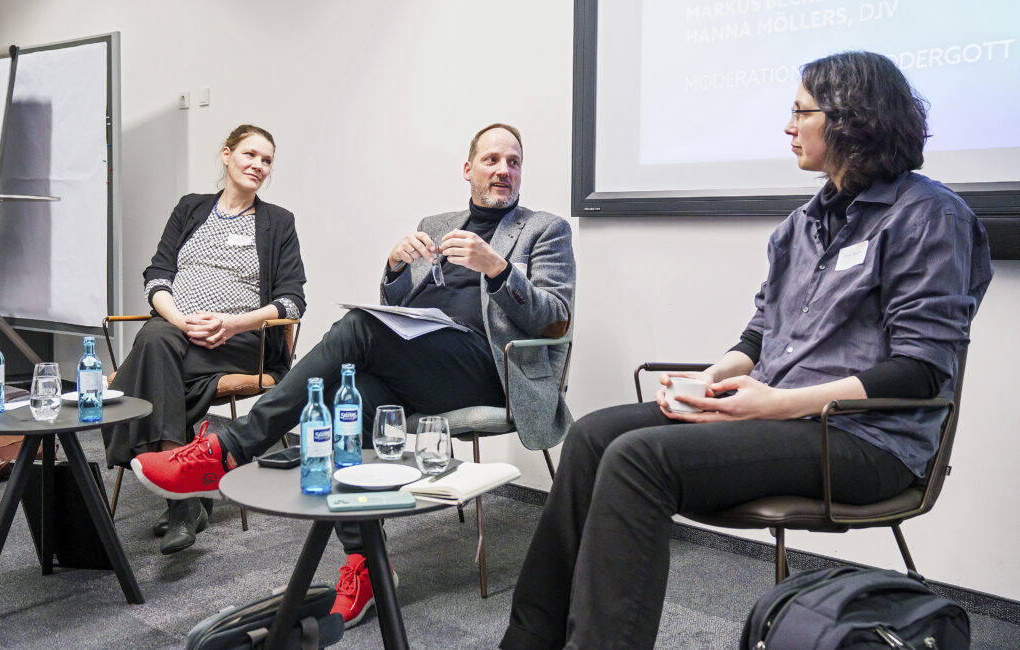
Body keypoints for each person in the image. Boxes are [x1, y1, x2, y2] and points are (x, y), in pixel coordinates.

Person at [500, 51, 993, 650]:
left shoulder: (929, 216)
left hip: (867, 439)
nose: (788, 127)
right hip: (786, 418)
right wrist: (708, 383)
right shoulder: (801, 224)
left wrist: (774, 406)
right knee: (590, 436)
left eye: (800, 112)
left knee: (638, 459)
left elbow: (920, 371)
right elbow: (760, 337)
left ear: (849, 119)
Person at [129, 123, 576, 628]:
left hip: (490, 368)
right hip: (427, 362)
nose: (504, 170)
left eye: (513, 162)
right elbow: (401, 312)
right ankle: (365, 563)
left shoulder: (545, 229)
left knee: (358, 328)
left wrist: (497, 268)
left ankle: (230, 448)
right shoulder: (437, 222)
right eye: (492, 160)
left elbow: (553, 316)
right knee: (352, 395)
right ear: (467, 168)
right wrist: (392, 269)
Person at [102, 124, 306, 555]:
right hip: (179, 334)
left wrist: (233, 324)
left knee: (151, 351)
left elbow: (291, 302)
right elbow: (157, 276)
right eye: (250, 154)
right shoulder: (190, 208)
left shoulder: (277, 222)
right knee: (158, 339)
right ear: (227, 155)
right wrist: (181, 320)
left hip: (242, 342)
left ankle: (180, 494)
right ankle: (185, 501)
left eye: (267, 160)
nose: (259, 166)